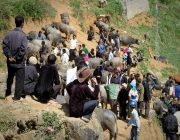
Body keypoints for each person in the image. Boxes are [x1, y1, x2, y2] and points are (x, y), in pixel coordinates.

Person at [2, 15, 28, 102]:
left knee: (10, 77)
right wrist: (16, 58)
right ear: (22, 24)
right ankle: (16, 97)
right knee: (19, 79)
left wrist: (10, 56)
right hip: (19, 63)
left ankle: (8, 93)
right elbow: (23, 49)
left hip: (10, 62)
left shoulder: (9, 34)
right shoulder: (23, 36)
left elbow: (4, 45)